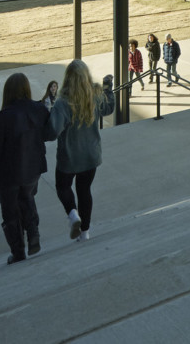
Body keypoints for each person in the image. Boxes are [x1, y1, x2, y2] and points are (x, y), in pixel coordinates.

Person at [0, 73, 51, 263]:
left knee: (10, 212)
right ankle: (33, 235)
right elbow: (48, 131)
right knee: (27, 198)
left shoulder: (3, 117)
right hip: (33, 169)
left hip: (8, 173)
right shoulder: (39, 109)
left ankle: (18, 252)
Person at [45, 60, 115, 242]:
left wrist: (47, 115)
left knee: (63, 186)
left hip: (69, 157)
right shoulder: (94, 95)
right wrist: (108, 89)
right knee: (85, 191)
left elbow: (52, 133)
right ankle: (85, 232)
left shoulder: (62, 103)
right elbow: (108, 108)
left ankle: (72, 214)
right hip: (91, 155)